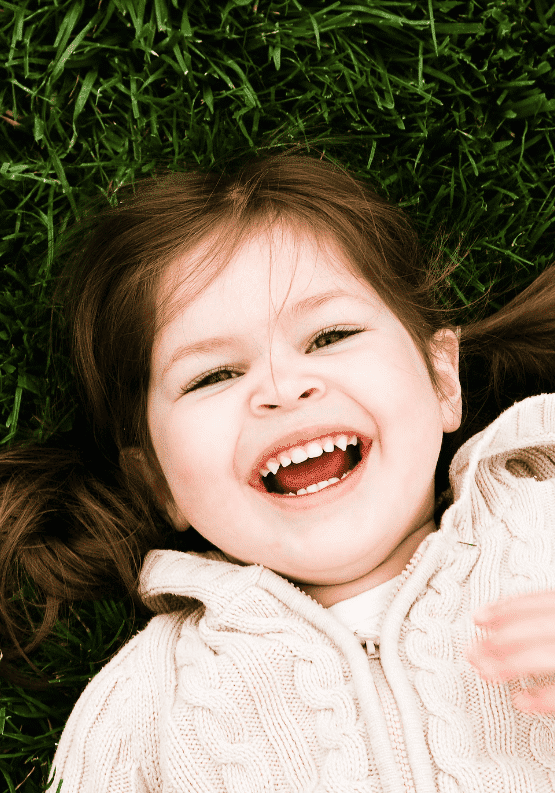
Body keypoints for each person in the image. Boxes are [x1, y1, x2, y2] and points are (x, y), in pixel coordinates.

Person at [2, 151, 555, 792]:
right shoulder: (145, 708)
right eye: (214, 375)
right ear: (158, 482)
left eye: (331, 335)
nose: (282, 388)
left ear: (441, 381)